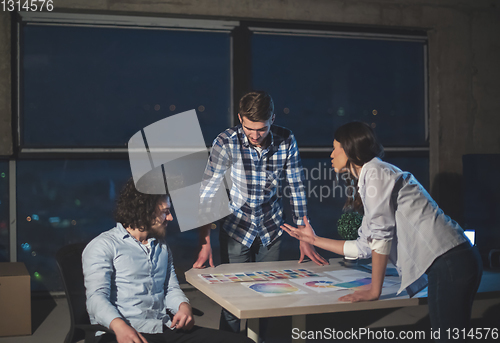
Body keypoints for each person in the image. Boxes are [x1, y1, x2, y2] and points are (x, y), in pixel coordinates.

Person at [282, 121, 483, 341]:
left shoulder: (376, 172)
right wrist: (313, 239)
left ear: (349, 150)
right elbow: (364, 247)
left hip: (450, 261)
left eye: (335, 148)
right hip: (454, 260)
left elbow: (381, 235)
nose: (331, 154)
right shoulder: (373, 176)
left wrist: (373, 291)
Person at [193, 91, 328, 336]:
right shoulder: (225, 142)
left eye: (262, 129)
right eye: (249, 128)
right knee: (233, 302)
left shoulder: (286, 139)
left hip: (271, 227)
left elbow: (295, 187)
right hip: (236, 228)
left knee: (268, 300)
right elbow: (208, 193)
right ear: (239, 118)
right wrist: (204, 242)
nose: (255, 136)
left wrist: (305, 235)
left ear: (272, 119)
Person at [82, 178, 253, 343]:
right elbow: (96, 298)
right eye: (165, 212)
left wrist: (183, 306)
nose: (170, 218)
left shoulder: (162, 246)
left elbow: (170, 288)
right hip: (123, 331)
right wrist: (119, 327)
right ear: (145, 211)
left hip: (163, 327)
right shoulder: (103, 246)